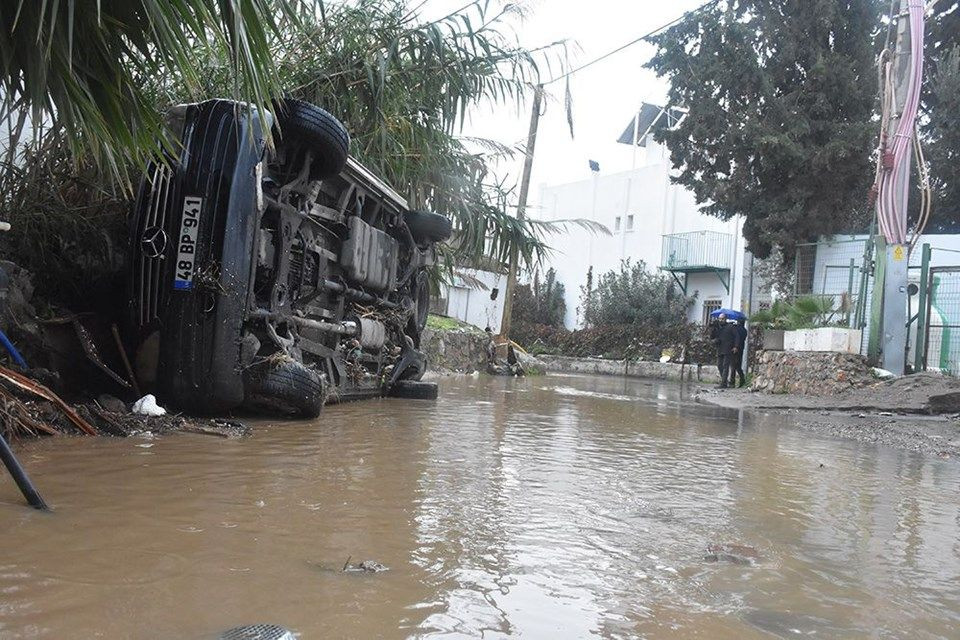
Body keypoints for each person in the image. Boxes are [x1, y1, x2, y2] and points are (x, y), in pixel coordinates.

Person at [716, 318, 738, 388]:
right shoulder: (718, 327)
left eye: (722, 319)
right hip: (720, 349)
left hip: (728, 349)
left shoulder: (731, 327)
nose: (721, 320)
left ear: (725, 319)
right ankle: (724, 380)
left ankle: (723, 383)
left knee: (725, 366)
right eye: (719, 319)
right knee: (719, 365)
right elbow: (713, 336)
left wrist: (736, 346)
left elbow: (737, 337)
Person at [732, 317, 748, 387]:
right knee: (737, 365)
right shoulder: (744, 330)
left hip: (735, 348)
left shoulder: (737, 329)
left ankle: (734, 381)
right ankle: (742, 379)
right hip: (741, 348)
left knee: (734, 365)